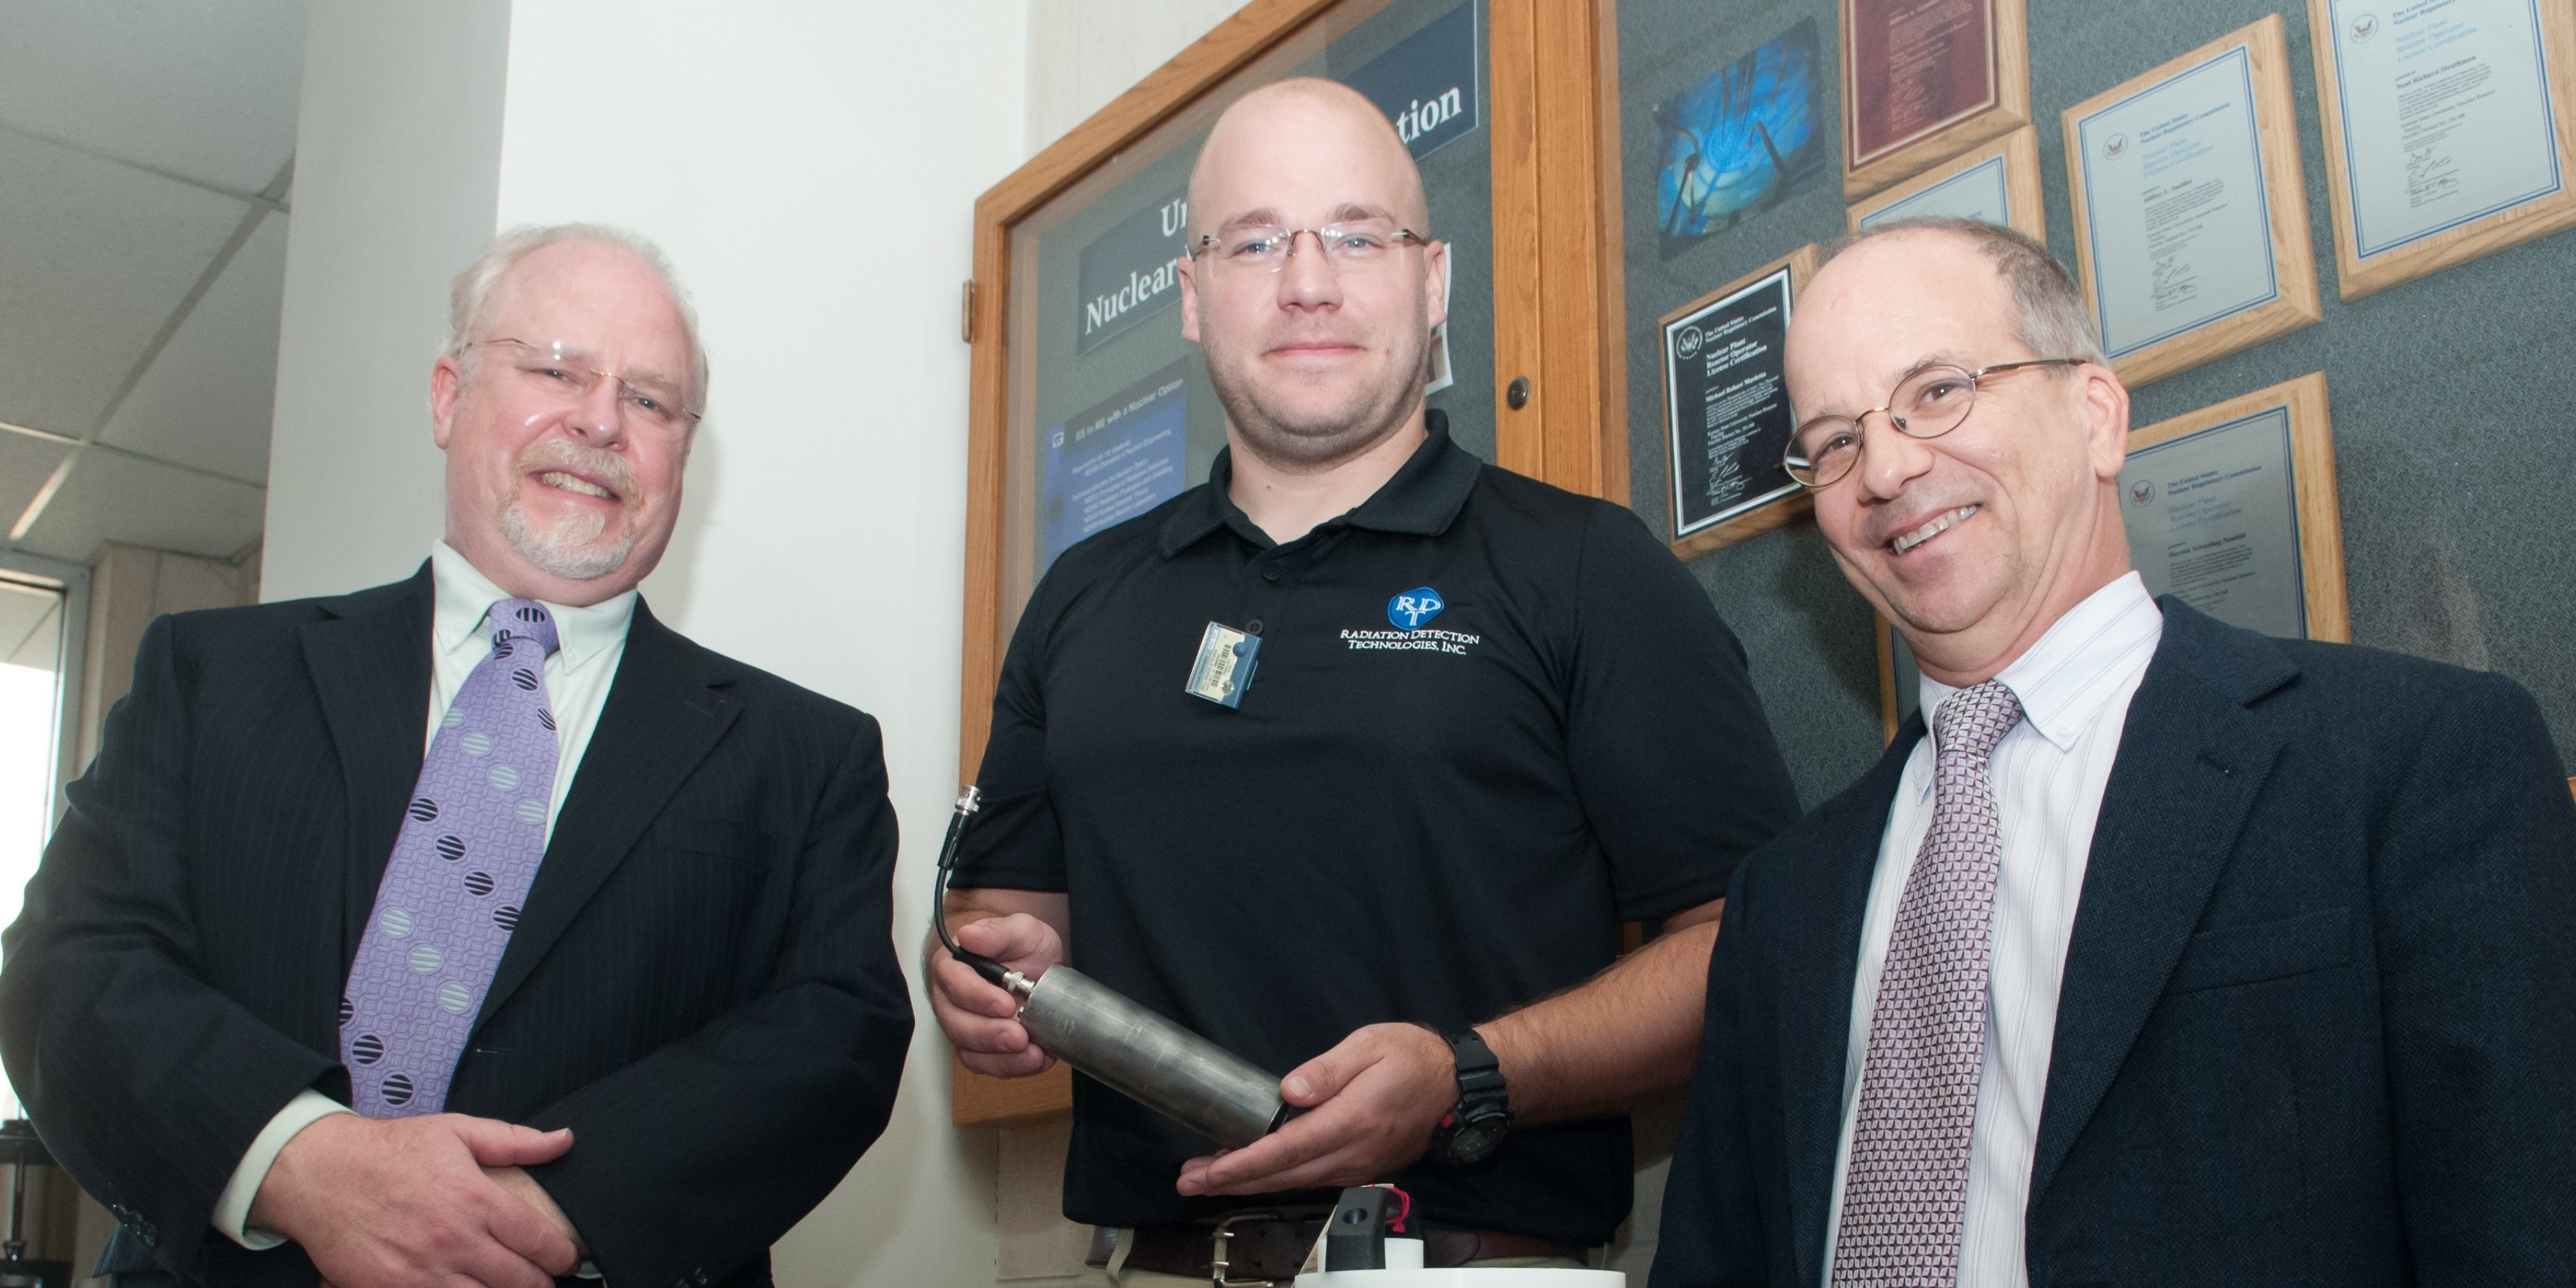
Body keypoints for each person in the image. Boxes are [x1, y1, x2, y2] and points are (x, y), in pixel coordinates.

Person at [930, 78, 1801, 1285]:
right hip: (1153, 1263)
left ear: (1432, 282)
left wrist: (1466, 1076)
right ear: (1191, 297)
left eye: (1355, 235)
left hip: (1476, 1266)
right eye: (1254, 242)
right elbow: (1006, 928)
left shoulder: (1588, 570)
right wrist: (978, 974)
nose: (1306, 283)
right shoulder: (1082, 596)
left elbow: (1749, 945)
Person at [1652, 216, 2576, 1287]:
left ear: (2095, 417)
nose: (1888, 467)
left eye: (1939, 391)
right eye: (1835, 442)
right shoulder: (1785, 899)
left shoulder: (2414, 764)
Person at [0, 225, 913, 1288]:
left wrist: (535, 1216)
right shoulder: (215, 674)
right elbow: (71, 967)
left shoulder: (806, 756)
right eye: (555, 369)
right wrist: (300, 1160)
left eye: (651, 401)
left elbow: (832, 1038)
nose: (601, 421)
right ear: (447, 396)